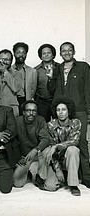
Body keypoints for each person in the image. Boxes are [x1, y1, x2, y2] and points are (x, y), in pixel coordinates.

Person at [47, 42, 90, 188]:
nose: (66, 53)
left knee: (81, 143)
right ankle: (69, 175)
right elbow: (51, 90)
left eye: (69, 50)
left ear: (74, 51)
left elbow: (87, 90)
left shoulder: (83, 67)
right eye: (63, 51)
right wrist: (51, 77)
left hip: (79, 110)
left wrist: (88, 112)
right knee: (61, 140)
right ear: (60, 53)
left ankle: (86, 177)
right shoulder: (57, 68)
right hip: (62, 110)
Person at [46, 97, 81, 196]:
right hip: (55, 161)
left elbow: (74, 141)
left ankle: (73, 185)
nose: (61, 112)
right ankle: (63, 178)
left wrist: (56, 146)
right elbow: (50, 149)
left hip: (69, 159)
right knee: (50, 186)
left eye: (64, 109)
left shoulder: (76, 123)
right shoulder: (50, 125)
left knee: (72, 149)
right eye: (58, 110)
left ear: (69, 111)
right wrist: (57, 170)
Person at [13, 100, 49, 189]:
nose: (31, 113)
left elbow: (45, 139)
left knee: (46, 151)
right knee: (17, 183)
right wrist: (17, 157)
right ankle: (27, 174)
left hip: (37, 153)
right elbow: (12, 141)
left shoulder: (41, 120)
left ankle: (39, 177)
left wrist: (35, 150)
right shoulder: (17, 121)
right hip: (24, 156)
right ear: (24, 112)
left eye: (34, 111)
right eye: (28, 110)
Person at [34, 44, 59, 122]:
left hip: (57, 101)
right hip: (42, 102)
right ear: (41, 56)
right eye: (44, 53)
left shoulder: (59, 68)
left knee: (59, 125)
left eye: (49, 53)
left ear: (53, 55)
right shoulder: (36, 70)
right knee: (43, 124)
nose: (46, 55)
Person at [12, 42, 37, 115]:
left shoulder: (32, 71)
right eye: (18, 52)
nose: (21, 55)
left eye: (23, 53)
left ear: (26, 54)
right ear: (14, 54)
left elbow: (33, 89)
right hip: (13, 101)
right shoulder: (8, 71)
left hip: (26, 101)